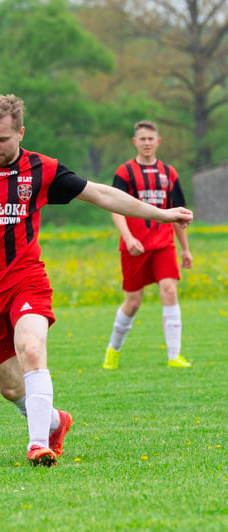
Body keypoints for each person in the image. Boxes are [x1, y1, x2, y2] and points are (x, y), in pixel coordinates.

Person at [0, 95, 193, 467]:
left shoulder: (41, 169)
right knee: (9, 387)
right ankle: (54, 422)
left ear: (21, 132)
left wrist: (160, 214)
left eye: (2, 139)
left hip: (26, 279)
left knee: (32, 350)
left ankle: (38, 446)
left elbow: (101, 193)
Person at [102, 120, 193, 370]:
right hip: (135, 245)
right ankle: (113, 350)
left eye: (151, 139)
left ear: (158, 141)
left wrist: (185, 249)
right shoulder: (124, 172)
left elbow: (178, 215)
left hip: (164, 243)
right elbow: (115, 208)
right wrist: (129, 238)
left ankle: (174, 356)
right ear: (135, 142)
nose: (146, 143)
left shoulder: (169, 173)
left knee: (169, 290)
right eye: (142, 139)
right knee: (133, 302)